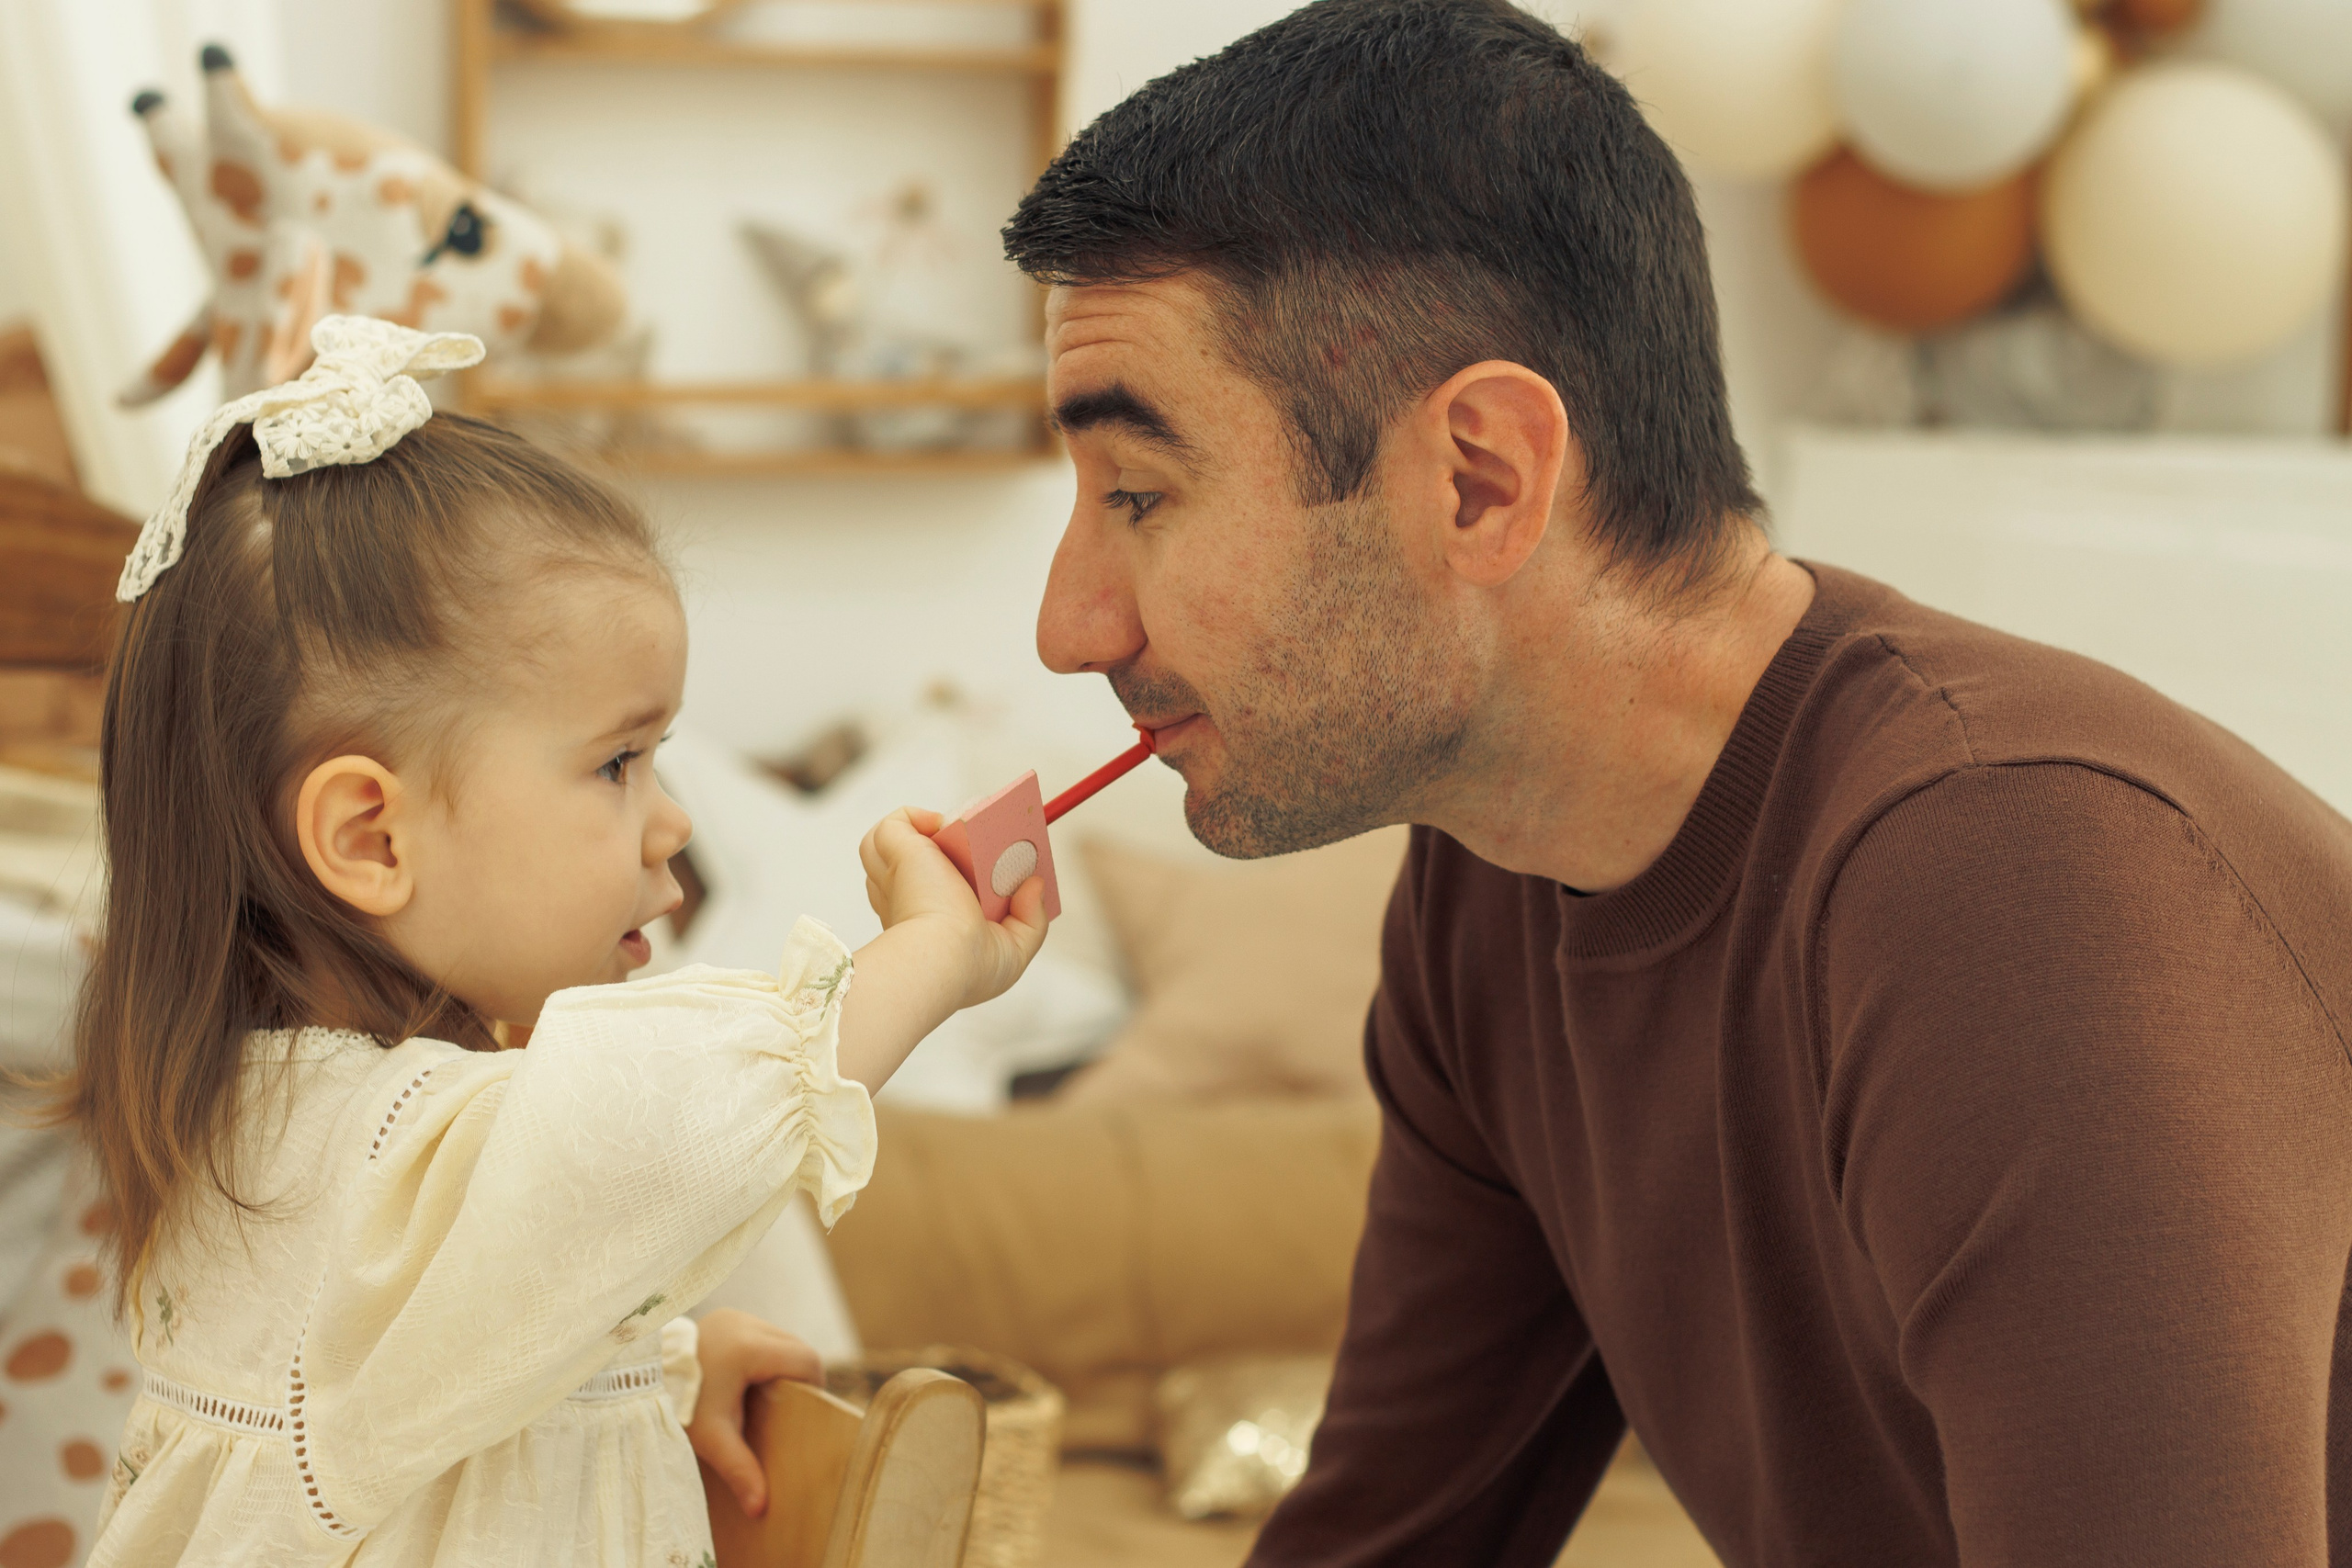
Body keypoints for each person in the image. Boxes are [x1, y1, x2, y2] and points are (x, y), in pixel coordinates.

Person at [1005, 1, 2352, 1562]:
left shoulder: (2015, 876)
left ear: (1481, 480)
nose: (1067, 624)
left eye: (1141, 492)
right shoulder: (1490, 881)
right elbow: (1394, 1534)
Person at [61, 317, 1049, 1566]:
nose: (673, 822)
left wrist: (627, 1368)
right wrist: (926, 959)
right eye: (620, 761)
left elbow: (454, 1369)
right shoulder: (331, 1146)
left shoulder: (346, 1143)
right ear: (371, 836)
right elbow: (644, 1126)